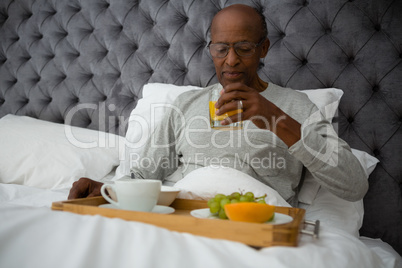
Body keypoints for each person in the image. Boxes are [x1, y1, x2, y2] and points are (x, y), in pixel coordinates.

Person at [68, 4, 368, 206]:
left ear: (263, 48)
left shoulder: (296, 106)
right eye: (221, 49)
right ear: (211, 49)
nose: (231, 60)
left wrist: (272, 115)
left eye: (244, 48)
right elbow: (145, 176)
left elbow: (354, 185)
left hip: (251, 224)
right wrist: (106, 190)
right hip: (184, 218)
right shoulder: (187, 104)